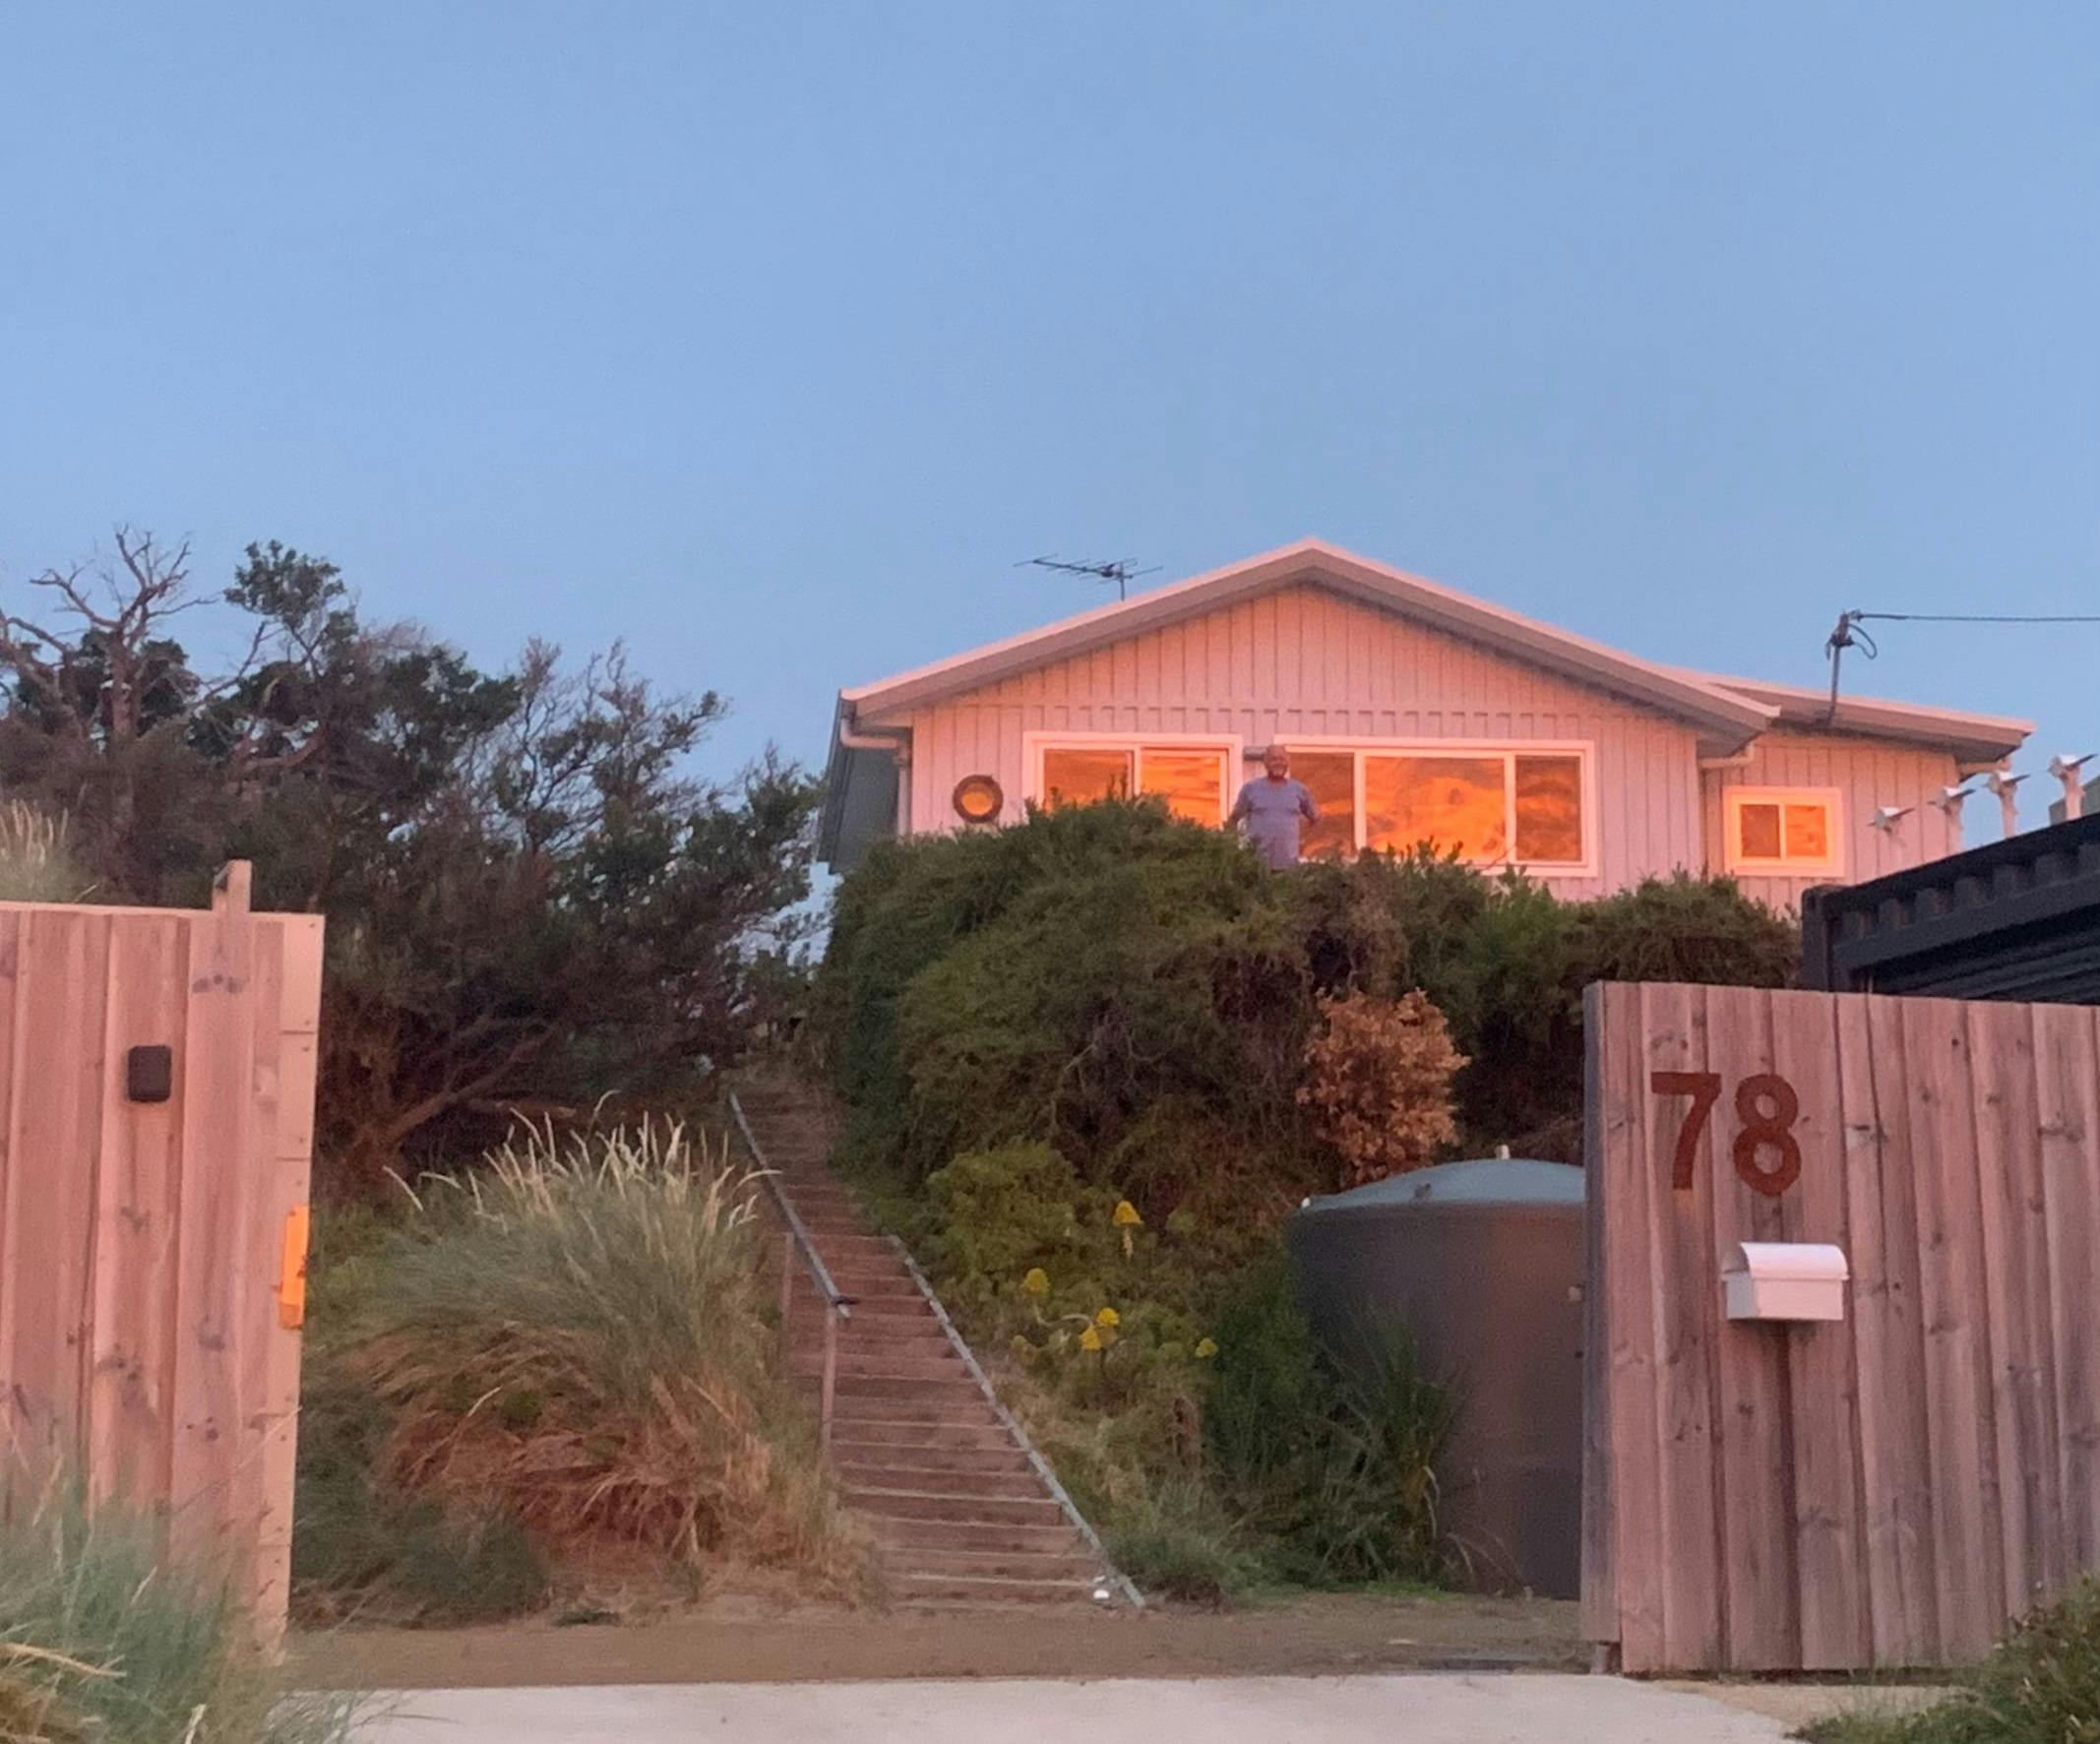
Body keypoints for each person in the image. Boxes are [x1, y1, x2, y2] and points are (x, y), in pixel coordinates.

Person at [1228, 744, 1320, 869]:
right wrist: (1238, 850)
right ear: (1265, 762)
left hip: (1290, 866)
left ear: (1287, 762)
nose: (1278, 763)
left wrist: (1301, 842)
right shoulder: (1250, 789)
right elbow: (1234, 819)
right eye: (1273, 759)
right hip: (1257, 865)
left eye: (1282, 759)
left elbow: (1315, 818)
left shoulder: (1299, 790)